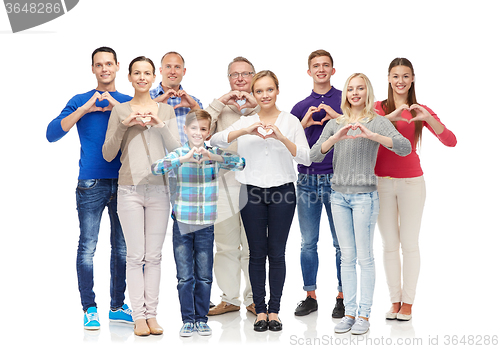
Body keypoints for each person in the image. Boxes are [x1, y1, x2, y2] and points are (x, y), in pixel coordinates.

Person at [310, 73, 412, 335]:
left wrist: (372, 135)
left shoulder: (376, 121)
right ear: (345, 94)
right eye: (350, 89)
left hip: (364, 197)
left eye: (360, 89)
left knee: (365, 258)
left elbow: (404, 147)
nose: (355, 93)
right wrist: (335, 138)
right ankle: (350, 312)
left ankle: (364, 315)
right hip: (338, 197)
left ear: (367, 92)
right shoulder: (336, 123)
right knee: (347, 257)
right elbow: (312, 155)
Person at [210, 70, 311, 332]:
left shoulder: (290, 121)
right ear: (253, 95)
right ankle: (260, 310)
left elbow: (306, 158)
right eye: (259, 91)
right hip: (251, 192)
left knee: (276, 253)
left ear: (277, 90)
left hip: (283, 193)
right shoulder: (247, 121)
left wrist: (281, 137)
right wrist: (245, 130)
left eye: (269, 89)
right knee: (256, 254)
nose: (265, 95)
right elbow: (215, 140)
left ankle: (274, 310)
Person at [46, 47, 133, 330]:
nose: (105, 68)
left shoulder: (128, 101)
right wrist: (86, 109)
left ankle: (118, 306)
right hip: (91, 183)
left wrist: (117, 109)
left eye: (109, 63)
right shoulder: (80, 100)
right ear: (93, 69)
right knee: (88, 246)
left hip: (125, 183)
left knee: (121, 248)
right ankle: (89, 308)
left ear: (118, 66)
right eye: (99, 64)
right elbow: (52, 134)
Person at [102, 56, 181, 336]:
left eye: (147, 73)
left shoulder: (166, 111)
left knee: (155, 256)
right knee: (135, 256)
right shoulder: (120, 110)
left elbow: (177, 153)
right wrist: (126, 124)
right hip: (129, 189)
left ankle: (152, 315)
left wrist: (159, 124)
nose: (142, 77)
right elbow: (108, 153)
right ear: (130, 77)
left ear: (153, 76)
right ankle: (138, 317)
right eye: (137, 73)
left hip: (159, 190)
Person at [374, 58, 457, 321]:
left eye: (405, 76)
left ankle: (408, 303)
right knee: (389, 245)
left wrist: (429, 119)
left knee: (409, 244)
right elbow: (366, 130)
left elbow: (450, 141)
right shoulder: (377, 108)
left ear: (412, 79)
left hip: (411, 182)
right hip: (381, 183)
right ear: (388, 78)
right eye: (395, 76)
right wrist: (391, 117)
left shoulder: (420, 110)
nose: (400, 81)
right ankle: (394, 301)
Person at [151, 109, 246, 337]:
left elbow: (240, 162)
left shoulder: (213, 154)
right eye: (193, 128)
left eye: (203, 129)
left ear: (209, 131)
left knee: (203, 275)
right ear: (185, 130)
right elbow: (156, 168)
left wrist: (215, 157)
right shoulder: (178, 154)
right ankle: (188, 319)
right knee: (185, 276)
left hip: (205, 225)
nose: (198, 133)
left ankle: (202, 319)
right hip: (183, 224)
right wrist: (182, 159)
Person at [290, 49, 345, 318]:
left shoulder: (346, 100)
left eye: (326, 65)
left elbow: (357, 130)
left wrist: (337, 116)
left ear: (333, 70)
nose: (321, 69)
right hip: (307, 181)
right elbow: (289, 144)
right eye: (316, 66)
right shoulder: (300, 106)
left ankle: (342, 296)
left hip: (338, 180)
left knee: (341, 243)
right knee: (307, 242)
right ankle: (310, 296)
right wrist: (304, 123)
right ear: (309, 71)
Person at [205, 57, 259, 317]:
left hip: (255, 185)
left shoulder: (261, 105)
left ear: (253, 76)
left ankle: (253, 298)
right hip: (224, 185)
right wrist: (220, 101)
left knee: (252, 246)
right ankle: (229, 299)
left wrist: (255, 105)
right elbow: (202, 132)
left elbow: (275, 125)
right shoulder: (220, 109)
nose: (240, 78)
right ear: (228, 79)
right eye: (234, 74)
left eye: (245, 74)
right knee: (225, 245)